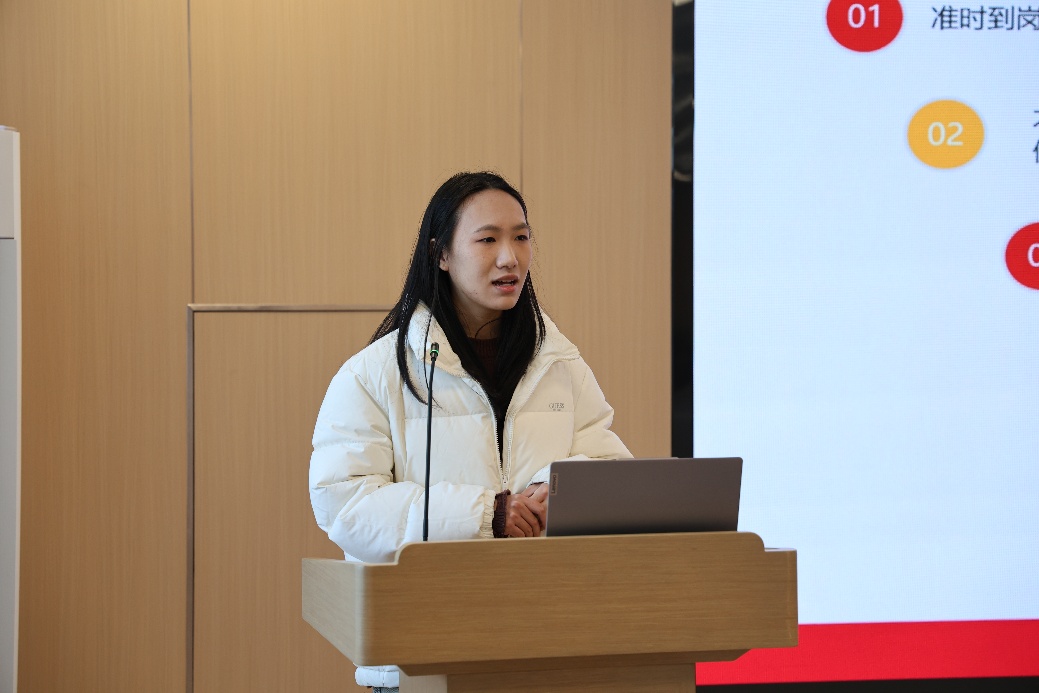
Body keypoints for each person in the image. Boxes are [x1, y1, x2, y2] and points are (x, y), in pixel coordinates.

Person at [309, 171, 631, 691]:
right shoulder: (374, 374)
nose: (509, 257)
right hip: (421, 660)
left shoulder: (561, 365)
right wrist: (487, 515)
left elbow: (610, 469)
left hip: (545, 652)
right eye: (487, 240)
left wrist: (559, 492)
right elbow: (345, 503)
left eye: (521, 237)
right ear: (441, 253)